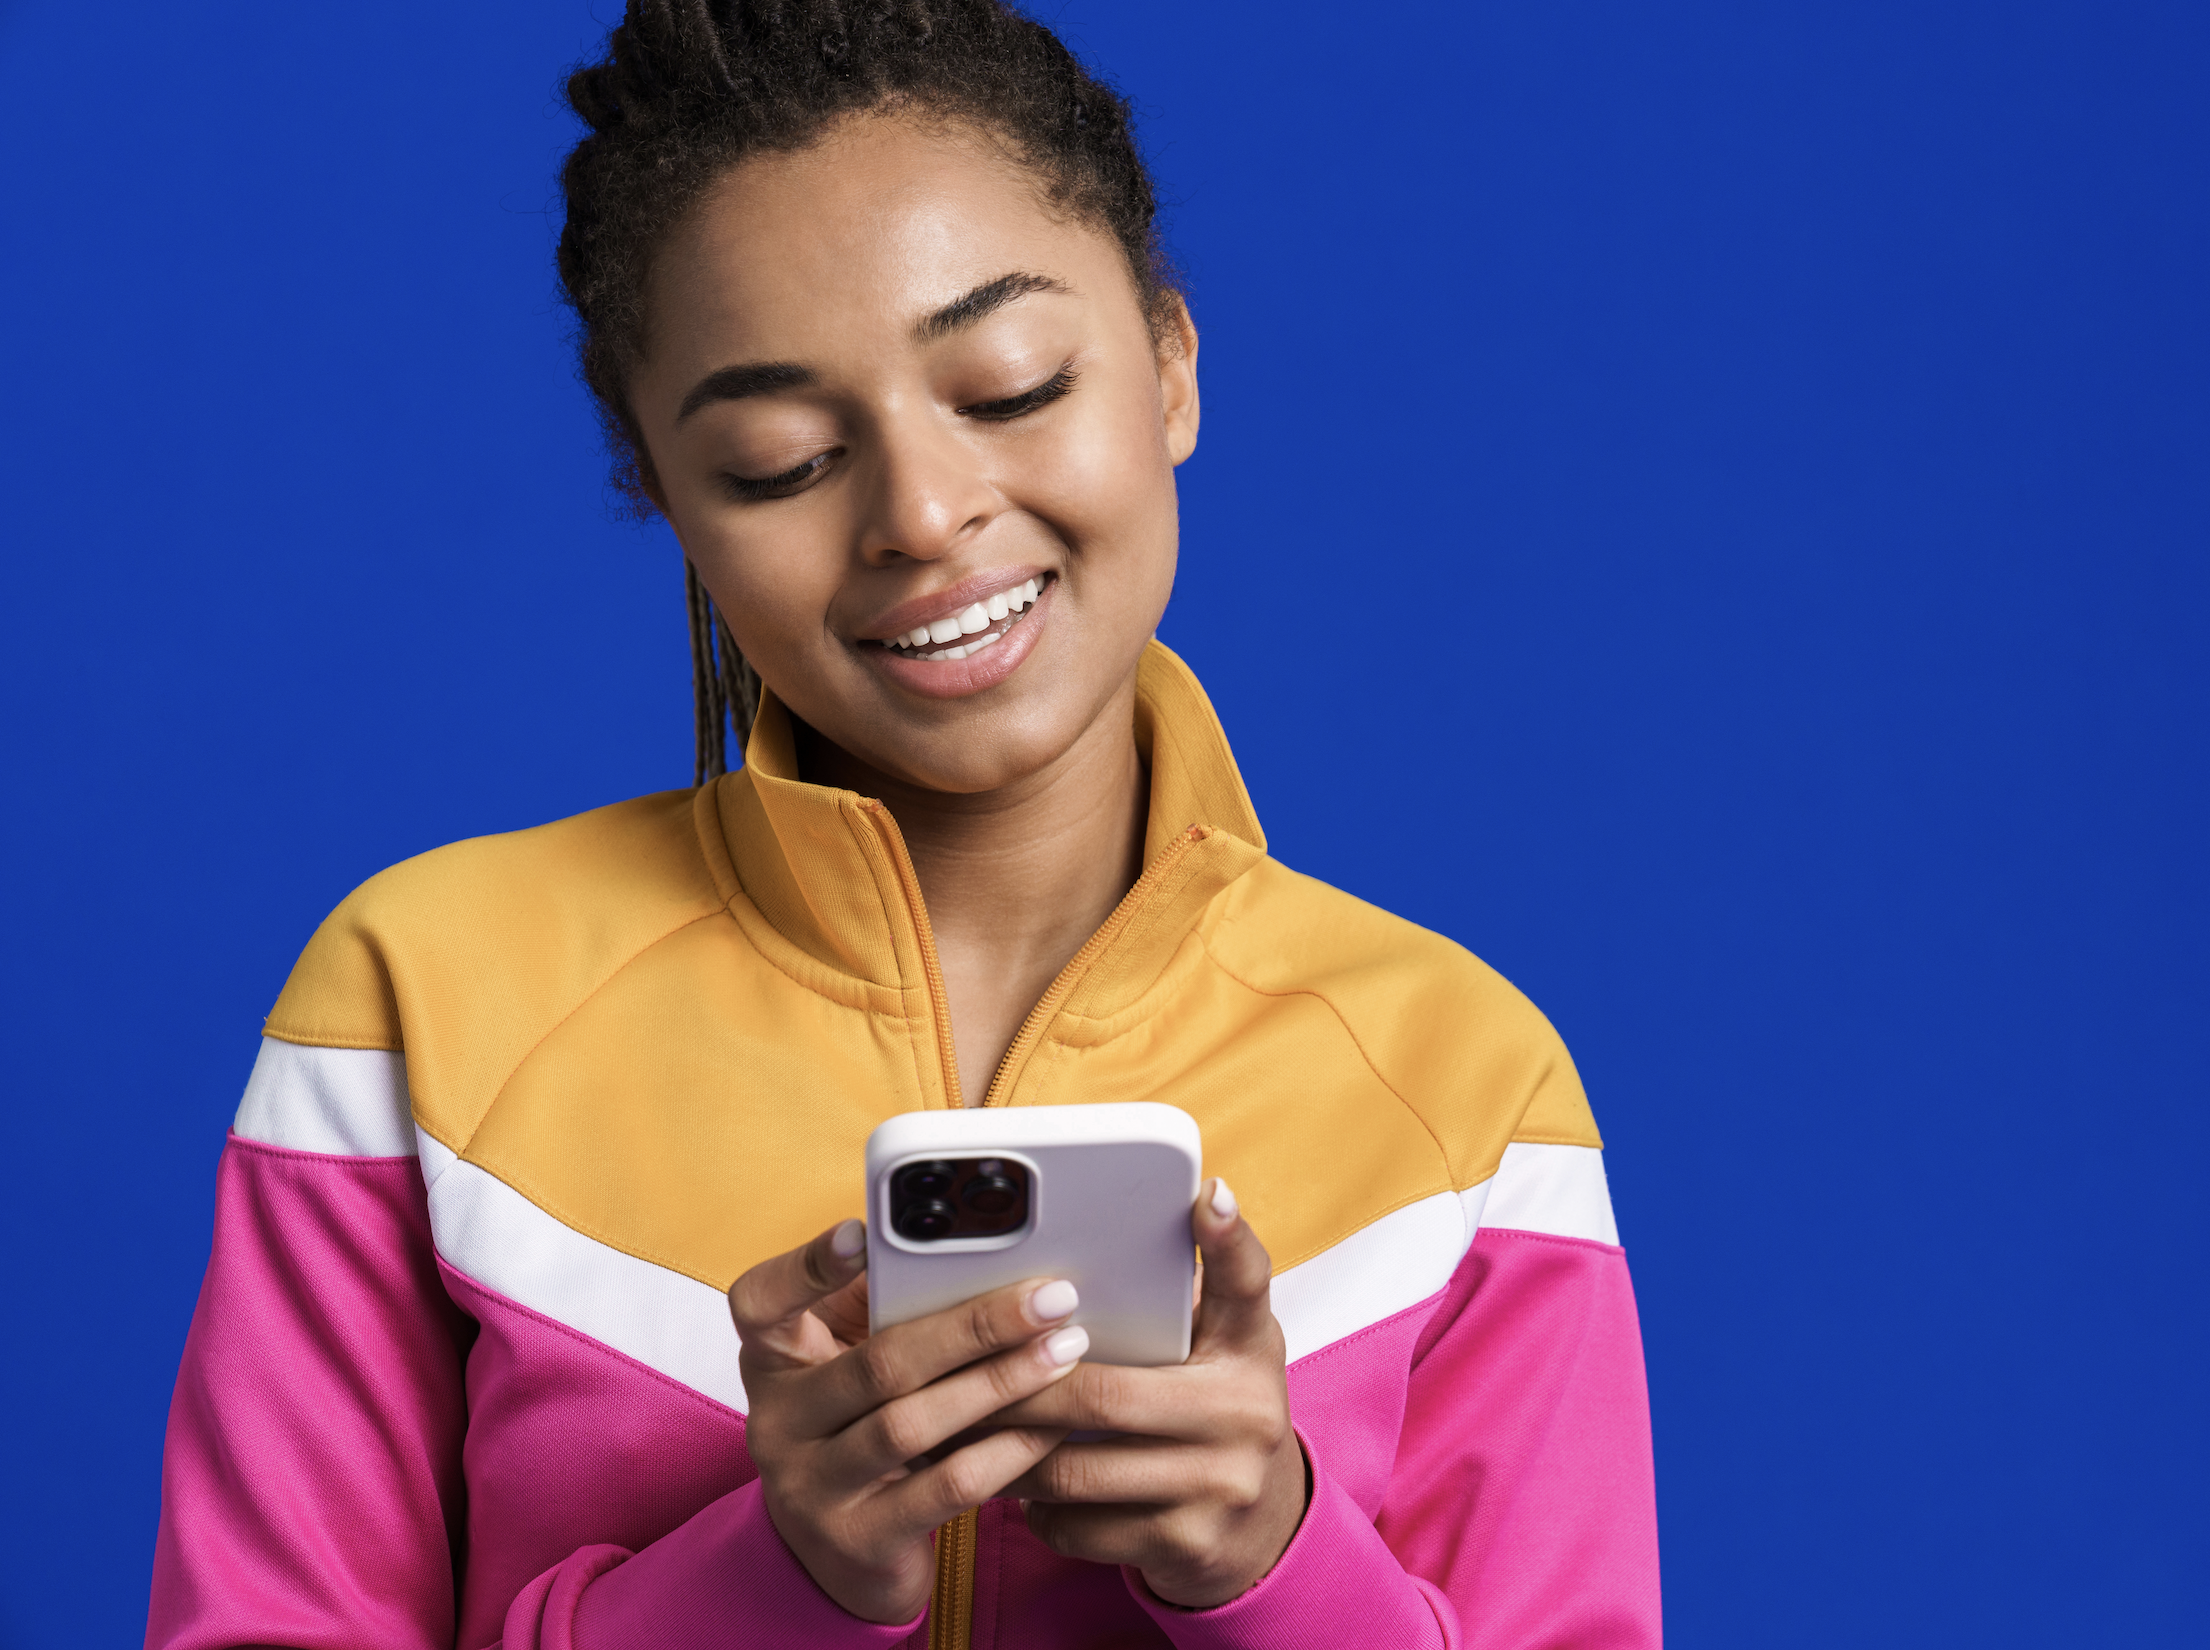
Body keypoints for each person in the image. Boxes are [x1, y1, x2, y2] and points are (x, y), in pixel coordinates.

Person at [144, 3, 1660, 1645]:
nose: (923, 516)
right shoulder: (419, 1008)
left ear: (1169, 364)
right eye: (780, 459)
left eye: (1010, 385)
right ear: (663, 492)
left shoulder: (1462, 1085)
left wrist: (1275, 1567)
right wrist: (768, 1580)